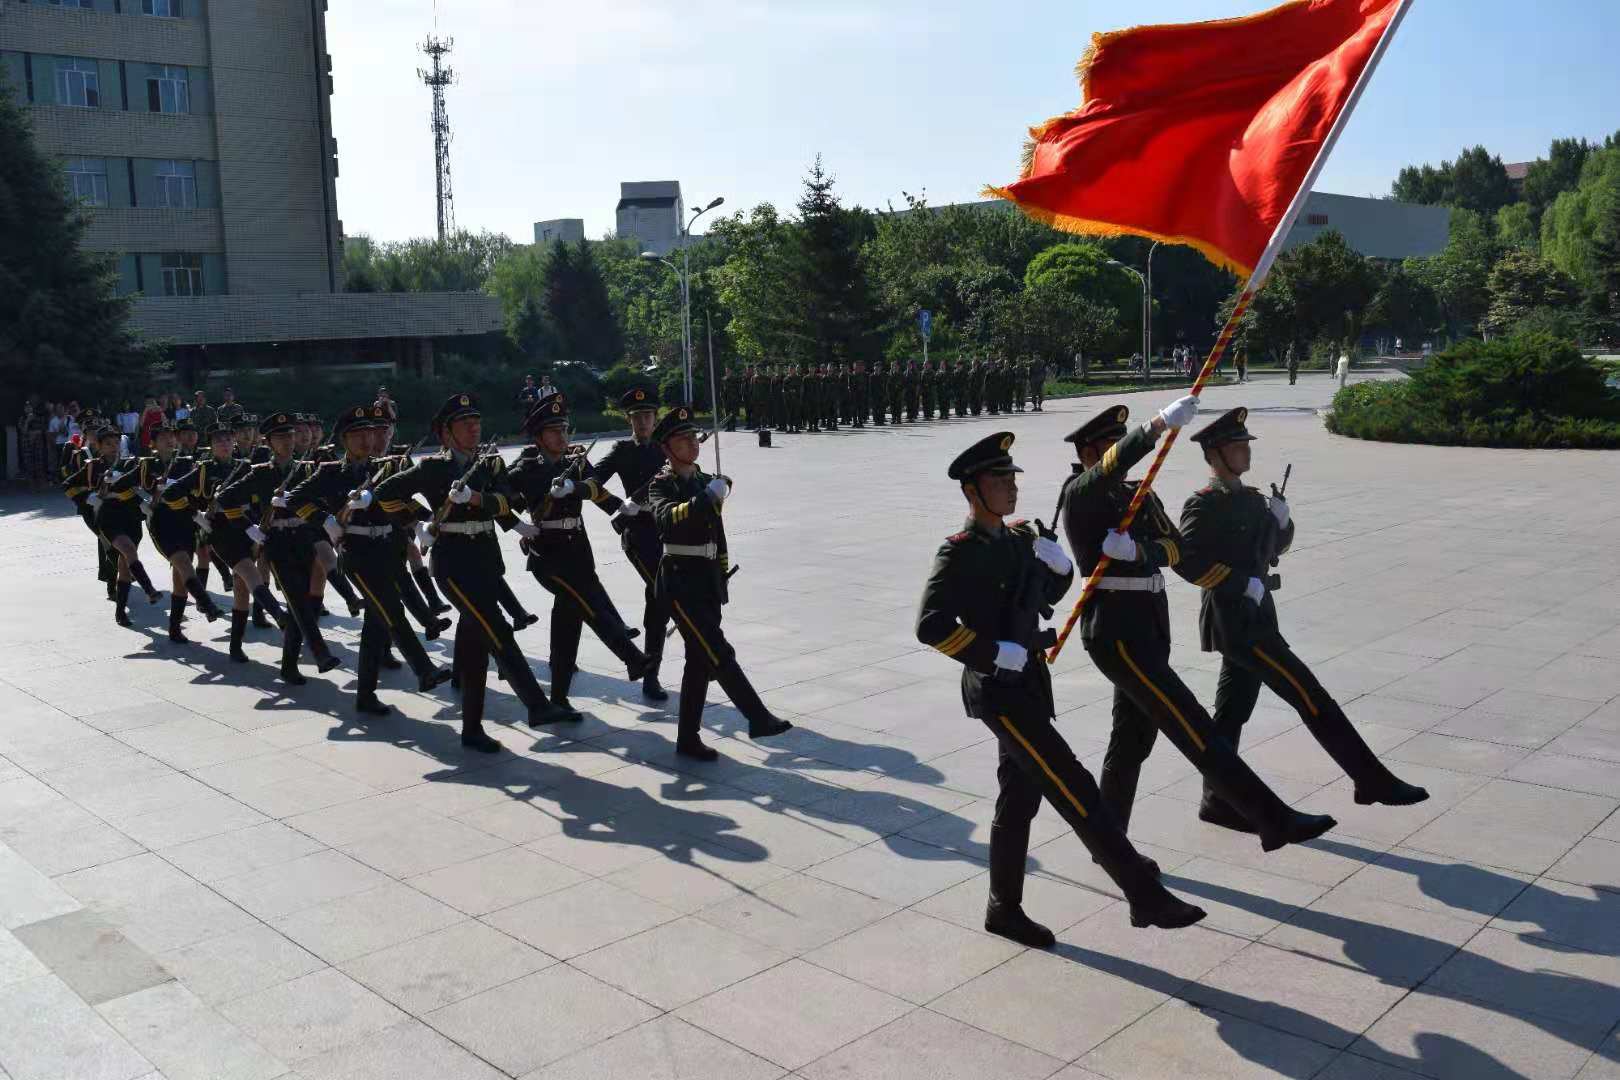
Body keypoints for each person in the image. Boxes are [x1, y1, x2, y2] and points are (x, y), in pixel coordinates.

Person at [915, 430, 1207, 943]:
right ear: (971, 491)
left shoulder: (1019, 538)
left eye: (1012, 478)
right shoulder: (957, 552)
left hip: (1029, 682)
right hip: (997, 692)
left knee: (1019, 798)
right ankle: (1145, 896)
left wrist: (1061, 568)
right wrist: (990, 652)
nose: (1010, 487)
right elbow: (930, 624)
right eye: (998, 480)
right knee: (1075, 788)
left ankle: (1002, 909)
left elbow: (1043, 595)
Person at [1057, 402, 1338, 846]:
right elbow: (1116, 467)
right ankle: (1271, 818)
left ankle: (1109, 843)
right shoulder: (1080, 493)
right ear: (1089, 453)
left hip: (1149, 625)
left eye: (1118, 441)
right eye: (1109, 445)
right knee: (1193, 727)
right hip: (1115, 631)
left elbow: (1177, 548)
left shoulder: (1139, 495)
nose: (1116, 452)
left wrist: (1143, 553)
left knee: (1132, 740)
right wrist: (1155, 427)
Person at [1180, 408, 1428, 828]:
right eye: (1238, 446)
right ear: (1216, 454)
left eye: (1245, 445)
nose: (1246, 452)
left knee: (1232, 710)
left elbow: (1273, 547)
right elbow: (1187, 561)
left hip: (1258, 618)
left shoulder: (1252, 498)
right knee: (1309, 695)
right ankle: (1370, 779)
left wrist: (1282, 521)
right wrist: (1241, 584)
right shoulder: (1202, 505)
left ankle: (1217, 799)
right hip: (1237, 622)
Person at [375, 393, 573, 750]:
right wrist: (418, 521)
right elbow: (384, 492)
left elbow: (508, 500)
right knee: (498, 630)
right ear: (446, 433)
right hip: (453, 564)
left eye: (476, 422)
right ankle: (537, 705)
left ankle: (471, 730)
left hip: (485, 559)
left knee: (475, 649)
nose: (474, 428)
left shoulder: (487, 465)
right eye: (465, 424)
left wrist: (480, 501)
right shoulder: (432, 469)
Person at [646, 405, 793, 760]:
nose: (692, 444)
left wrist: (720, 577)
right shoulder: (661, 484)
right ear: (667, 448)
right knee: (718, 652)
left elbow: (718, 534)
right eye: (682, 439)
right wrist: (704, 499)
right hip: (679, 580)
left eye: (692, 437)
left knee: (698, 661)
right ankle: (757, 718)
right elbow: (666, 519)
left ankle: (687, 740)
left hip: (706, 578)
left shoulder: (704, 479)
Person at [286, 404, 452, 715]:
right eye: (358, 434)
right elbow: (295, 499)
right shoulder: (331, 472)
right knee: (392, 609)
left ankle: (365, 696)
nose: (367, 438)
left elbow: (402, 502)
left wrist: (426, 522)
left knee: (375, 628)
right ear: (343, 440)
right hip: (358, 553)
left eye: (370, 432)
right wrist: (326, 520)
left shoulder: (385, 468)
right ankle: (424, 668)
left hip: (388, 548)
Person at [507, 394, 648, 715]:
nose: (562, 436)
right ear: (540, 436)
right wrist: (520, 527)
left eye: (564, 429)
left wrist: (618, 507)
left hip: (578, 552)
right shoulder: (527, 466)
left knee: (567, 627)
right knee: (589, 604)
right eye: (554, 431)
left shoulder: (575, 459)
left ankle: (557, 699)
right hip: (548, 556)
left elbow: (595, 486)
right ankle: (632, 657)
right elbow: (504, 499)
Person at [591, 387, 676, 700]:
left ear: (655, 419)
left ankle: (648, 672)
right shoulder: (622, 450)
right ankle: (649, 673)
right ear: (629, 419)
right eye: (637, 417)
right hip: (637, 535)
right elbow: (592, 481)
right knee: (661, 590)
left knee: (658, 600)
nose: (642, 422)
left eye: (648, 416)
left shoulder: (666, 450)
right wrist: (618, 505)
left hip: (666, 531)